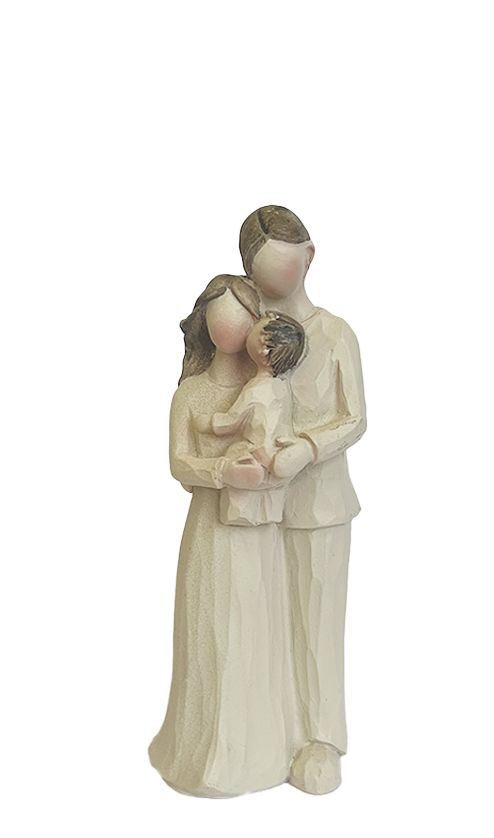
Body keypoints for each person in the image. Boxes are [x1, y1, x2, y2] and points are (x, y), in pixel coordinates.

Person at [148, 275, 301, 797]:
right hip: (211, 531)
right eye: (220, 313)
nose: (232, 324)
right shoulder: (192, 394)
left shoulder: (270, 387)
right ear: (204, 323)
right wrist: (221, 472)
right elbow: (178, 463)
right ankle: (201, 751)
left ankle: (259, 750)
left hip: (258, 531)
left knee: (255, 628)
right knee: (210, 631)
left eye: (243, 313)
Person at [239, 206, 367, 794]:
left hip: (319, 506)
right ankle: (267, 732)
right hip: (251, 507)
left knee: (316, 620)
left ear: (310, 258)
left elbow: (355, 417)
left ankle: (319, 737)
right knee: (258, 617)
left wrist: (308, 449)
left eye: (287, 269)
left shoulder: (336, 334)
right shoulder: (245, 337)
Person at [198, 310, 307, 527]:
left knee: (236, 459)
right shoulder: (281, 388)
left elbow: (231, 421)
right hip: (275, 451)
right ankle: (267, 509)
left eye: (257, 326)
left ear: (263, 348)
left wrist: (208, 423)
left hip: (255, 451)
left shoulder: (255, 389)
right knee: (268, 493)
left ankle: (241, 508)